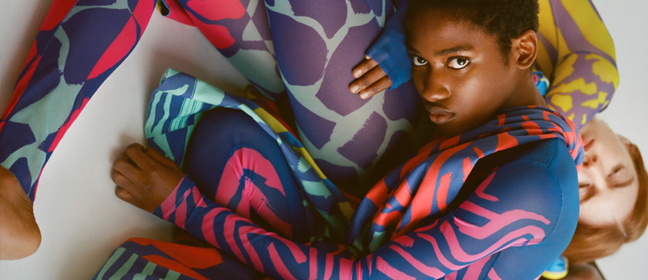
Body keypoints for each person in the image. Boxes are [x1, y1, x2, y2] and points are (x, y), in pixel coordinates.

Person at [97, 0, 585, 278]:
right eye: (421, 61)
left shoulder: (535, 186)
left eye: (458, 62)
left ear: (523, 50)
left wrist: (186, 209)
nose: (432, 88)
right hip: (352, 234)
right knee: (224, 143)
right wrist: (402, 33)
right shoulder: (524, 107)